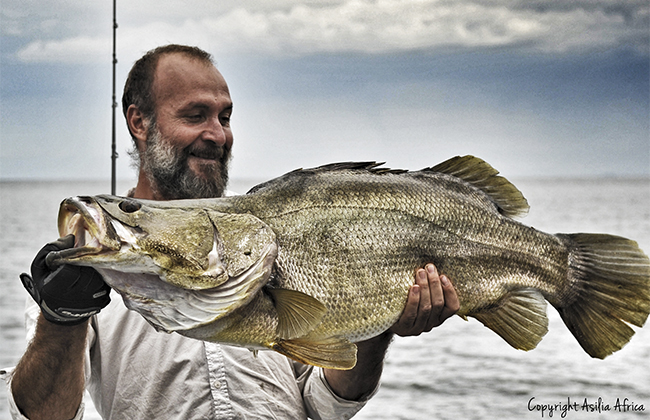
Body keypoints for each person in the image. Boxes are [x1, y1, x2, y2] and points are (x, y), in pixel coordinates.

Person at [7, 44, 460, 420]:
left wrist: (376, 327)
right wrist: (61, 318)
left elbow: (324, 406)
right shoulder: (90, 266)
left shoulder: (265, 245)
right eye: (195, 115)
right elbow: (42, 415)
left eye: (224, 117)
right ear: (139, 123)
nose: (217, 134)